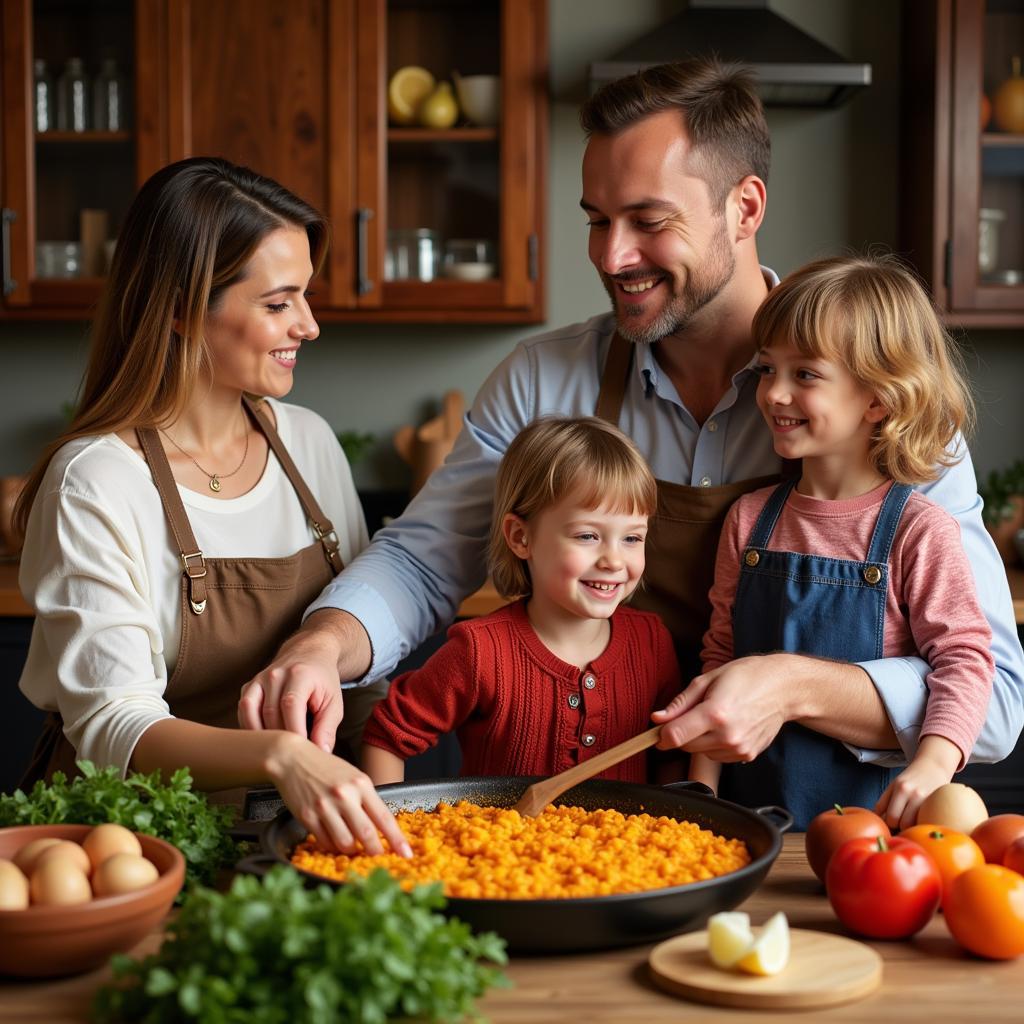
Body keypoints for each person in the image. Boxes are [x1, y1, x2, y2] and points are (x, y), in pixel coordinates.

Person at [241, 58, 1023, 827]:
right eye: (596, 220)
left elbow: (995, 704)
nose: (610, 257)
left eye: (648, 221)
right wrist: (322, 643)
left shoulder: (884, 399)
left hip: (808, 828)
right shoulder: (544, 378)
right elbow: (421, 559)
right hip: (611, 816)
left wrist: (792, 686)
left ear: (744, 209)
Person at [14, 156, 409, 857]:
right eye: (278, 303)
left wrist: (391, 812)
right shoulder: (96, 481)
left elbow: (360, 683)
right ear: (180, 309)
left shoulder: (310, 445)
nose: (310, 326)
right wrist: (280, 756)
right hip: (134, 843)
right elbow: (115, 726)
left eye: (305, 298)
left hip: (299, 831)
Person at [682, 256, 994, 830]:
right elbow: (719, 659)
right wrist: (698, 793)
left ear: (876, 399)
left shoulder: (919, 531)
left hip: (870, 832)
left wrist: (932, 766)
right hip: (745, 825)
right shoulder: (747, 519)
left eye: (805, 375)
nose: (774, 393)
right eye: (768, 369)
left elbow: (966, 659)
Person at [361, 417, 681, 784]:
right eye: (588, 535)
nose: (613, 560)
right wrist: (387, 836)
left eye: (632, 538)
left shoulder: (652, 642)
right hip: (495, 841)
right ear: (520, 537)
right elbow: (386, 736)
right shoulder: (480, 651)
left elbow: (669, 753)